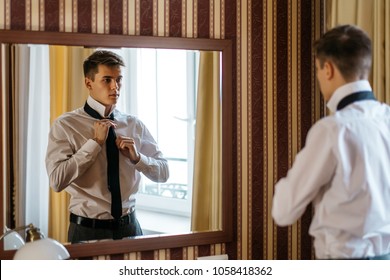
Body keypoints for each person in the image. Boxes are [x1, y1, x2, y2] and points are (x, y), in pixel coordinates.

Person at [272, 25, 390, 260]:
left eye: (317, 69)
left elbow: (283, 212)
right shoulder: (387, 118)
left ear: (328, 69)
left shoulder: (332, 130)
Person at [45, 50, 169, 243]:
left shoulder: (133, 124)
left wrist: (138, 159)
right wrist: (94, 144)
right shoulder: (65, 125)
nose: (115, 87)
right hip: (87, 230)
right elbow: (57, 181)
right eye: (107, 80)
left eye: (119, 79)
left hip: (131, 228)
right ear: (89, 83)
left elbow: (163, 173)